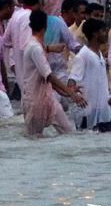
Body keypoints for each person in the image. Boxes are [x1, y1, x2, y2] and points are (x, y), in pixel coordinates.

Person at [19, 8, 83, 136]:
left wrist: (66, 93)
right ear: (45, 26)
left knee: (69, 132)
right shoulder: (35, 48)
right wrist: (70, 92)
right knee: (34, 140)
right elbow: (49, 76)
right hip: (34, 101)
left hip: (48, 98)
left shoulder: (37, 46)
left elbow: (47, 80)